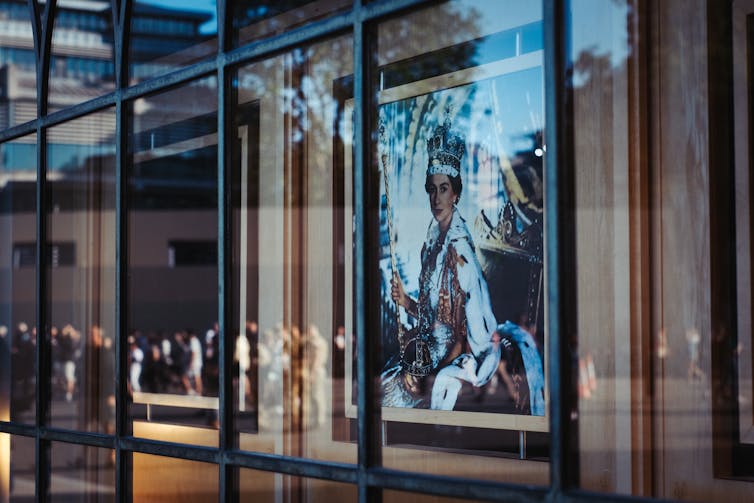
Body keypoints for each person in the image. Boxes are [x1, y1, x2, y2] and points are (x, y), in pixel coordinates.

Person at [382, 115, 501, 410]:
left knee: (392, 397)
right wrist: (405, 300)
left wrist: (433, 374)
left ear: (456, 194)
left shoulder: (458, 254)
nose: (436, 198)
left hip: (447, 354)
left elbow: (461, 336)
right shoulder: (433, 243)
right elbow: (430, 314)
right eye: (432, 189)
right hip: (425, 348)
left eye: (444, 189)